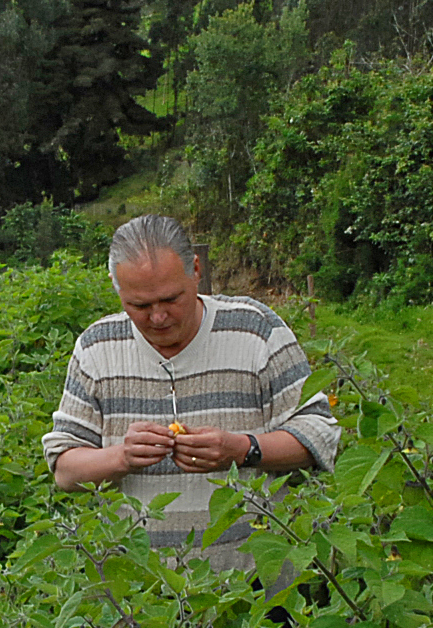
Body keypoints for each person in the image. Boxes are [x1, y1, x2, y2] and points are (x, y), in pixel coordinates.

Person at [42, 215, 340, 570]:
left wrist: (242, 450)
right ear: (116, 286)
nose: (158, 317)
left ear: (196, 270)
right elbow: (65, 470)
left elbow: (320, 435)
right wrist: (122, 457)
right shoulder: (96, 348)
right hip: (138, 587)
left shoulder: (255, 329)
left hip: (256, 583)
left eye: (171, 299)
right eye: (139, 305)